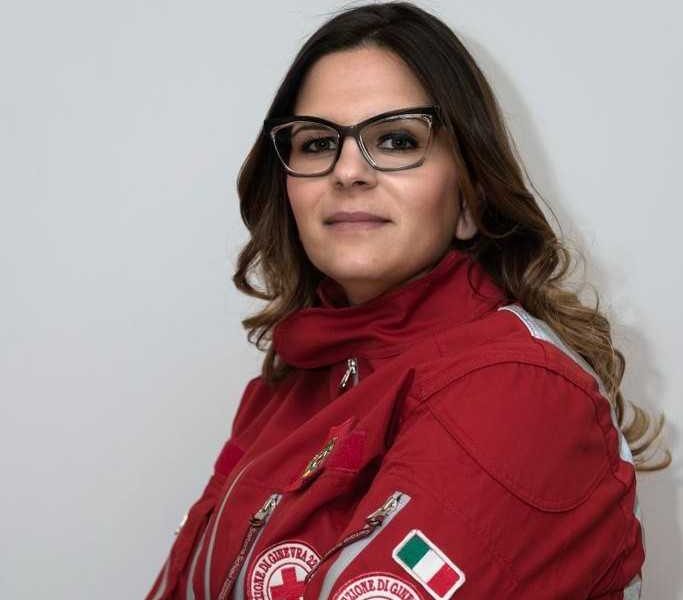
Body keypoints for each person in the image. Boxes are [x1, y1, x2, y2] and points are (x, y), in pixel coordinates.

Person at [145, 3, 671, 599]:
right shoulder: (291, 383)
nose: (347, 171)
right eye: (317, 143)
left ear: (471, 197)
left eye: (396, 140)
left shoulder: (519, 390)